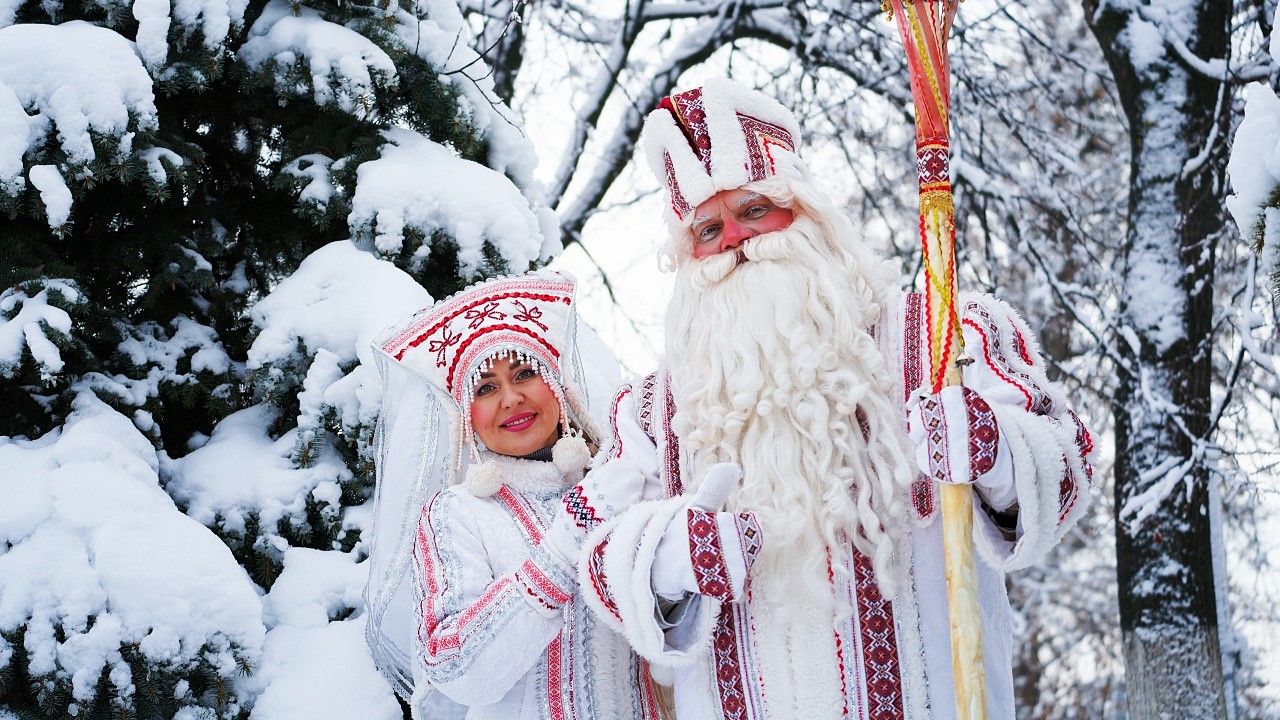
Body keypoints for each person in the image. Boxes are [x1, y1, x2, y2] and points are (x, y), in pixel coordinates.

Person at [576, 78, 1096, 720]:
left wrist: (997, 451)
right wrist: (672, 557)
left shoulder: (943, 340)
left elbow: (1067, 464)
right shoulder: (653, 411)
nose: (734, 242)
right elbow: (599, 556)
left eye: (755, 210)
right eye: (708, 229)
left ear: (808, 213)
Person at [368, 271, 663, 719]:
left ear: (559, 388)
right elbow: (454, 667)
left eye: (525, 372)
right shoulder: (457, 514)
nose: (510, 398)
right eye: (485, 387)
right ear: (465, 417)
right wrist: (567, 544)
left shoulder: (619, 488)